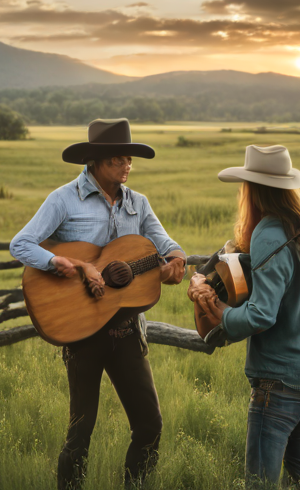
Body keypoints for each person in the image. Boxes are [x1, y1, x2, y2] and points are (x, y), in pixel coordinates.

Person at [10, 118, 186, 490]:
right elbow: (21, 245)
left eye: (129, 161)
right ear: (95, 161)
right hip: (80, 331)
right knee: (81, 432)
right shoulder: (63, 200)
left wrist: (176, 263)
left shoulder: (138, 203)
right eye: (118, 161)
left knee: (149, 424)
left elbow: (166, 244)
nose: (126, 168)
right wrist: (75, 264)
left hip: (126, 331)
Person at [187, 145, 300, 488]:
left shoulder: (269, 234)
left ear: (251, 188)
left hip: (277, 385)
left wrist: (220, 313)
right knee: (299, 483)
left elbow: (261, 315)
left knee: (260, 484)